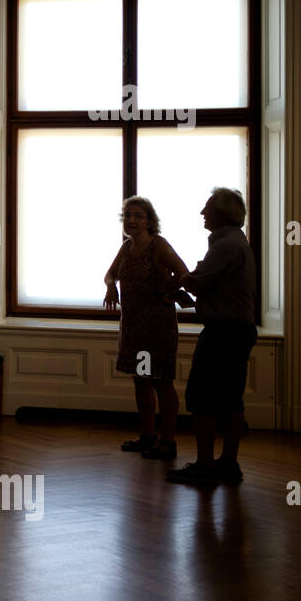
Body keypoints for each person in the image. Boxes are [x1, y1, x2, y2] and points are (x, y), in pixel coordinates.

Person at [169, 188, 258, 485]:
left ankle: (206, 465)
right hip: (237, 330)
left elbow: (202, 283)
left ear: (221, 213)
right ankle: (228, 464)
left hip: (223, 331)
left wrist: (185, 279)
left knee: (201, 397)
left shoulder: (224, 245)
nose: (202, 213)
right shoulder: (236, 242)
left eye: (207, 208)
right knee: (231, 399)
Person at [104, 196, 190, 459]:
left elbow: (184, 274)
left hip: (157, 327)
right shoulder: (127, 247)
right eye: (128, 215)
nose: (131, 220)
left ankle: (169, 441)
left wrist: (168, 291)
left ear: (150, 221)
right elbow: (110, 273)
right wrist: (111, 286)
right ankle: (147, 435)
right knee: (141, 381)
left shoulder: (159, 246)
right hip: (133, 327)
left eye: (138, 215)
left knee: (162, 382)